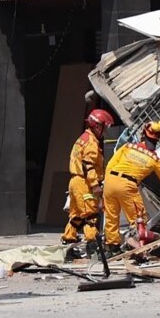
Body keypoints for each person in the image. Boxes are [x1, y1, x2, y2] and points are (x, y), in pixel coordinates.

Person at [102, 121, 160, 257]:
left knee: (111, 217)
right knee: (139, 219)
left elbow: (110, 164)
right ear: (158, 139)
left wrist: (107, 183)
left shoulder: (127, 147)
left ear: (143, 135)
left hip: (110, 182)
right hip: (127, 185)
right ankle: (140, 250)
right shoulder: (153, 158)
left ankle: (112, 248)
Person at [61, 109, 114, 256]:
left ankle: (68, 240)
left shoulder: (83, 138)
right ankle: (93, 244)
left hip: (75, 182)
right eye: (104, 127)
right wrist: (95, 185)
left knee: (77, 215)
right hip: (84, 183)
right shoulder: (91, 142)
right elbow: (88, 164)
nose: (105, 132)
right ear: (98, 126)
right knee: (91, 216)